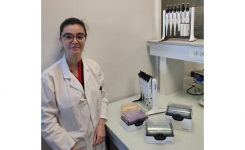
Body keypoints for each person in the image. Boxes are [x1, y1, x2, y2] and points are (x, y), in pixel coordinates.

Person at [41, 17, 108, 150]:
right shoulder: (49, 77)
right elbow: (46, 121)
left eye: (79, 36)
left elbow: (103, 97)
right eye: (68, 37)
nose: (75, 41)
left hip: (98, 141)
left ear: (85, 39)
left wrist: (101, 124)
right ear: (61, 40)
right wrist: (69, 147)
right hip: (73, 146)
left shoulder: (94, 67)